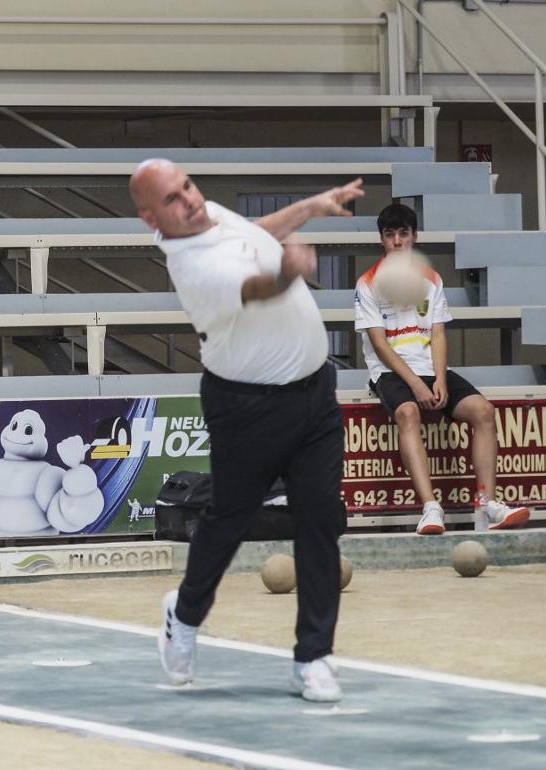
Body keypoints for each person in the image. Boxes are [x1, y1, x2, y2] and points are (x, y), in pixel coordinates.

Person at [128, 160, 362, 702]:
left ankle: (314, 657)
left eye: (186, 186)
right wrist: (289, 271)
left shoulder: (208, 214)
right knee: (228, 520)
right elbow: (256, 285)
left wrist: (312, 206)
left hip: (315, 397)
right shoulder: (191, 267)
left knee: (321, 518)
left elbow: (255, 237)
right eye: (171, 199)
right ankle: (183, 616)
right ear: (150, 219)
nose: (189, 200)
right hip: (247, 408)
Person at [355, 203, 530, 535]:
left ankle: (487, 504)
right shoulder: (368, 283)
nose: (397, 242)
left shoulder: (431, 279)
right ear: (382, 240)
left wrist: (439, 379)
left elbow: (437, 333)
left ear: (414, 237)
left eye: (403, 234)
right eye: (390, 235)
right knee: (408, 413)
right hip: (390, 372)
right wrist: (417, 386)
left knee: (483, 411)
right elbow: (379, 344)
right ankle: (431, 508)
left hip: (430, 368)